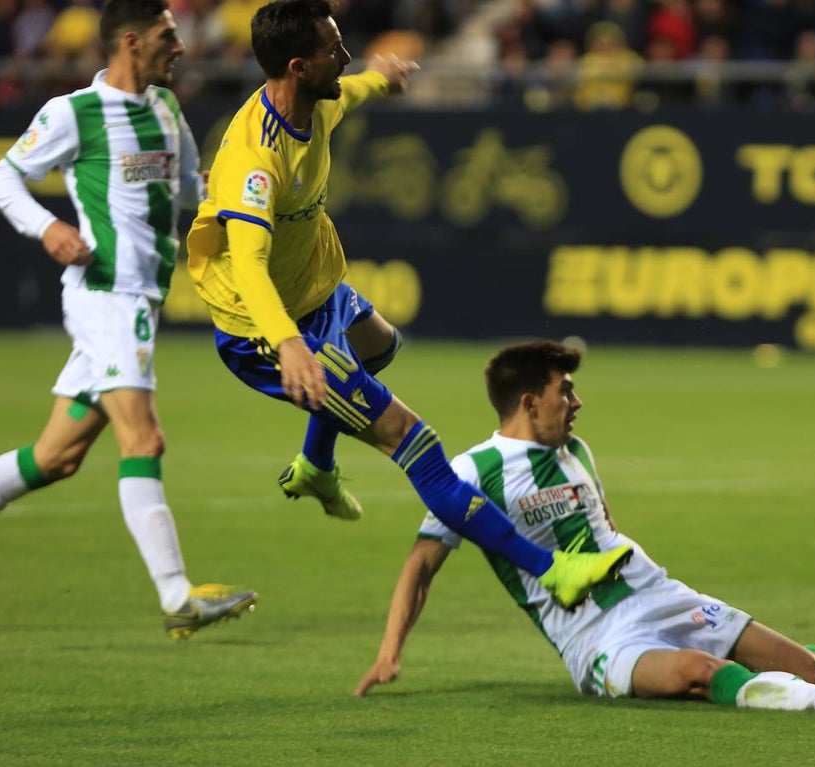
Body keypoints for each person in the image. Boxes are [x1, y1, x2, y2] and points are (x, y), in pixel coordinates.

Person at [184, 0, 631, 612]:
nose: (344, 58)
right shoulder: (254, 164)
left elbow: (355, 91)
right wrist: (289, 344)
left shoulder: (317, 101)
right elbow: (251, 266)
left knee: (381, 346)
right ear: (296, 65)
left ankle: (315, 466)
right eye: (332, 50)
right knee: (418, 445)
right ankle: (552, 571)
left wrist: (383, 78)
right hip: (267, 326)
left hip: (317, 292)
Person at [0, 0, 257, 640]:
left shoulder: (164, 109)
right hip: (106, 295)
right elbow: (4, 178)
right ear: (132, 41)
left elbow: (188, 190)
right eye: (168, 34)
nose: (180, 45)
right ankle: (176, 595)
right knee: (144, 439)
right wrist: (47, 228)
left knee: (56, 457)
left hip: (139, 303)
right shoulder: (74, 113)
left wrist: (233, 192)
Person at [355, 340, 815, 715]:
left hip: (655, 592)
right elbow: (419, 568)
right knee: (699, 674)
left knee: (803, 661)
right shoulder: (472, 472)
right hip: (594, 637)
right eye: (564, 391)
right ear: (528, 401)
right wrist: (389, 653)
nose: (576, 402)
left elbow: (606, 527)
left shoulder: (577, 450)